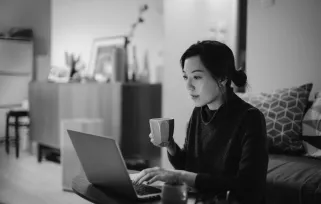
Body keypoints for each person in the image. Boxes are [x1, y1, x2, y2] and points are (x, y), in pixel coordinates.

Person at [133, 40, 268, 204]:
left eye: (196, 77)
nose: (188, 86)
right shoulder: (199, 112)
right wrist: (170, 145)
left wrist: (179, 176)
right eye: (185, 77)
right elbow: (188, 165)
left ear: (223, 78)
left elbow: (248, 188)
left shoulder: (250, 119)